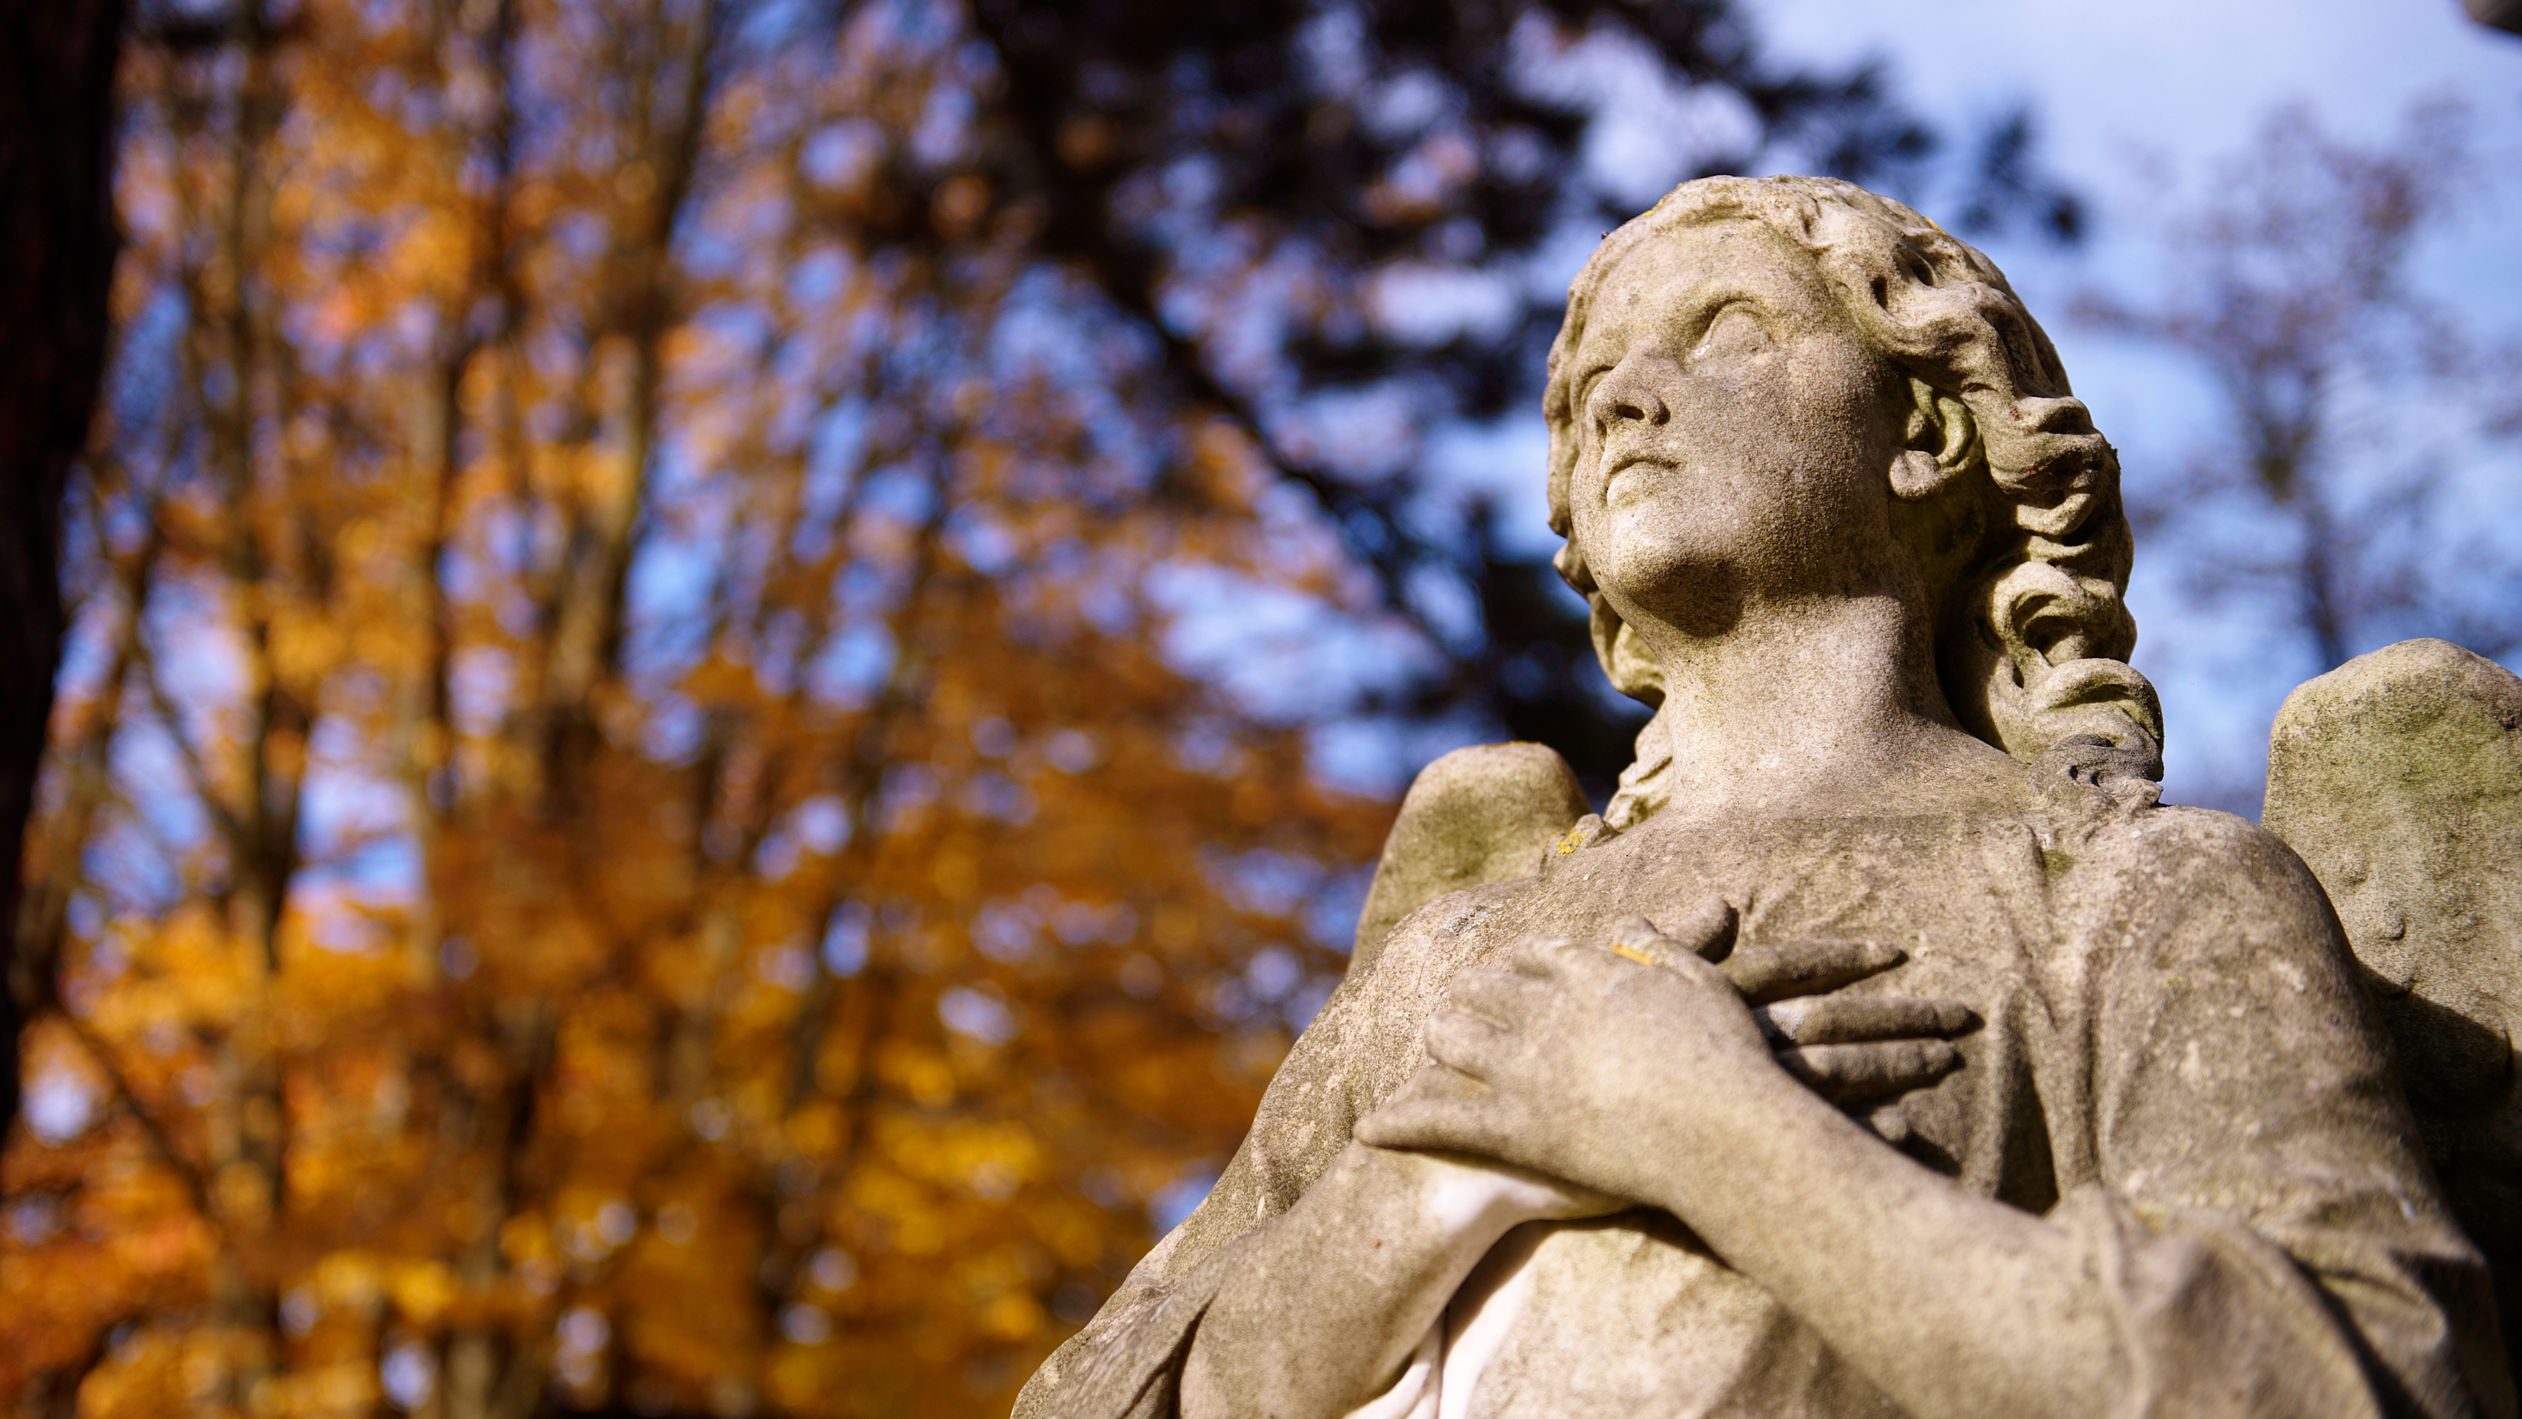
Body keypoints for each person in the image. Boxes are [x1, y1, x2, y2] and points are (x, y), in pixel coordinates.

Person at [1014, 176, 2515, 1419]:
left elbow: (2359, 1379)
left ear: (1925, 431)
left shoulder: (2136, 897)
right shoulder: (1452, 963)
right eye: (1589, 385)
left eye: (1719, 330)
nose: (1622, 401)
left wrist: (1712, 1129)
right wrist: (1440, 1169)